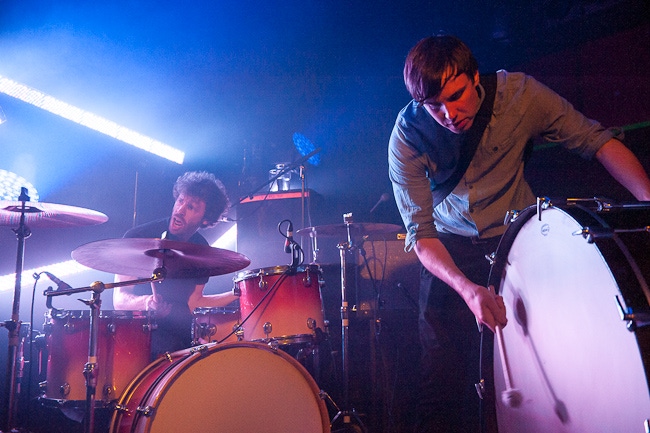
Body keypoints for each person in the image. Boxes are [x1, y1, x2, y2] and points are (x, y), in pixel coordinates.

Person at [388, 35, 650, 433]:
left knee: (553, 364)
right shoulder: (407, 136)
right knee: (438, 381)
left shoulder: (521, 96)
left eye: (456, 96)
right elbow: (421, 235)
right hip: (450, 252)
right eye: (434, 105)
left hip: (519, 242)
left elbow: (597, 142)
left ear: (475, 77)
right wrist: (467, 288)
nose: (449, 113)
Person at [113, 171, 239, 359]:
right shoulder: (137, 238)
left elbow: (194, 303)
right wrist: (148, 303)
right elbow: (120, 299)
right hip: (142, 334)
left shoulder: (202, 250)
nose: (180, 210)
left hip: (182, 337)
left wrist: (235, 294)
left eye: (191, 207)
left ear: (206, 219)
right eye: (180, 201)